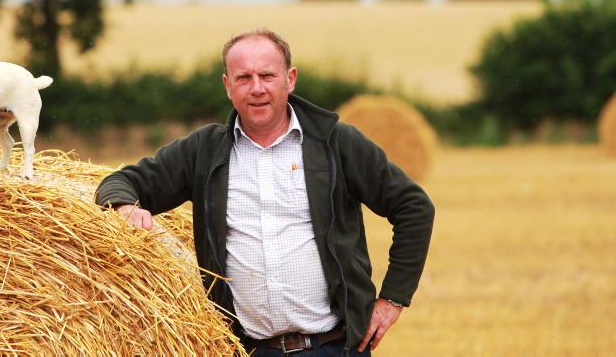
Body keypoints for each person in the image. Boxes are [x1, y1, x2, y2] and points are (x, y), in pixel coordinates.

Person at [95, 29, 435, 355]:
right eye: (244, 78)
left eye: (267, 76)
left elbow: (413, 206)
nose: (256, 88)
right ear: (228, 86)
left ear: (290, 79)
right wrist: (124, 207)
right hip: (247, 351)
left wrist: (393, 299)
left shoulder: (335, 143)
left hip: (334, 348)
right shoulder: (204, 151)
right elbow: (120, 182)